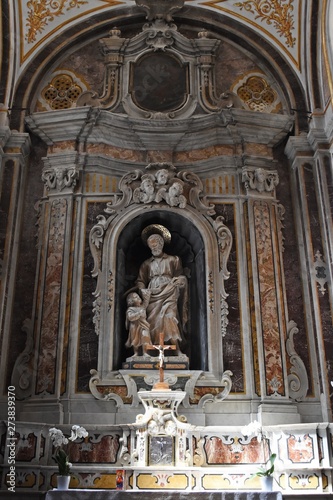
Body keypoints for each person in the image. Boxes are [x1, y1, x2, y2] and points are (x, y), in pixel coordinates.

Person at [135, 227, 188, 354]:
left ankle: (177, 350)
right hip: (152, 294)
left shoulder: (173, 260)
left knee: (169, 317)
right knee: (151, 321)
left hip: (169, 291)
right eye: (151, 245)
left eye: (156, 244)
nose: (154, 247)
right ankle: (151, 351)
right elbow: (140, 281)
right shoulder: (146, 264)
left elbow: (181, 275)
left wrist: (179, 280)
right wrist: (143, 291)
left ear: (162, 244)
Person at [125, 290, 151, 356]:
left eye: (138, 296)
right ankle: (136, 353)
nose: (138, 297)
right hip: (134, 326)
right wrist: (138, 314)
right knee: (135, 340)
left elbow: (146, 302)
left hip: (144, 325)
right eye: (135, 297)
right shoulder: (130, 309)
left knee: (145, 337)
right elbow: (130, 317)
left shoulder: (142, 307)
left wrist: (147, 295)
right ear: (131, 301)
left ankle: (145, 352)